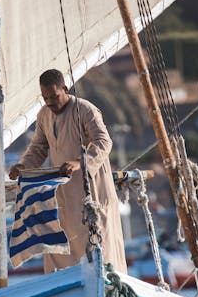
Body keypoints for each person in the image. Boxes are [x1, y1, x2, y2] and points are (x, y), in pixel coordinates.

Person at [9, 69, 127, 274]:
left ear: (65, 88)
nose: (50, 103)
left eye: (54, 97)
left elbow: (103, 141)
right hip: (65, 195)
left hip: (93, 192)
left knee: (102, 249)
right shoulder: (44, 115)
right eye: (46, 98)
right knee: (64, 250)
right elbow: (38, 148)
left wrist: (80, 163)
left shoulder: (85, 109)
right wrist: (23, 166)